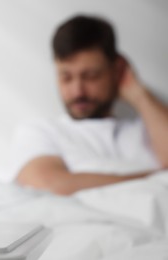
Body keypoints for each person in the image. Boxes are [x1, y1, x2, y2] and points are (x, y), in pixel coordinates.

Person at [13, 15, 168, 195]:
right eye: (66, 77)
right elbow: (46, 185)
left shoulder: (147, 131)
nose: (78, 91)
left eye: (91, 76)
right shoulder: (42, 131)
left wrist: (139, 94)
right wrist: (156, 178)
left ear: (116, 70)